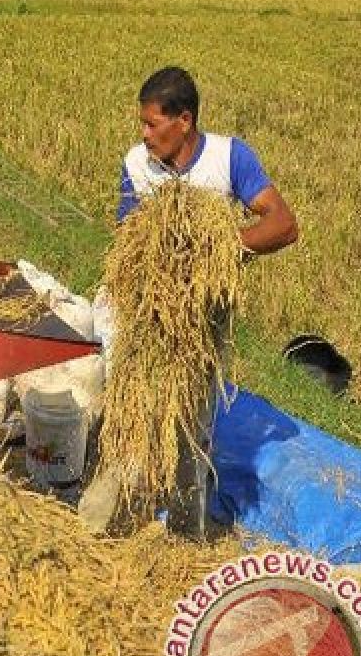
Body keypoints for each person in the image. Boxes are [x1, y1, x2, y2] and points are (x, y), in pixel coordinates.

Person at [80, 66, 299, 539]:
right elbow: (125, 239)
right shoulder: (137, 165)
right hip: (142, 312)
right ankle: (102, 526)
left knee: (190, 421)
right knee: (127, 410)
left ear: (184, 120)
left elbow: (283, 223)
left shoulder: (228, 158)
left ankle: (182, 534)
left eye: (151, 123)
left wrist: (218, 252)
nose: (143, 134)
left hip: (199, 318)